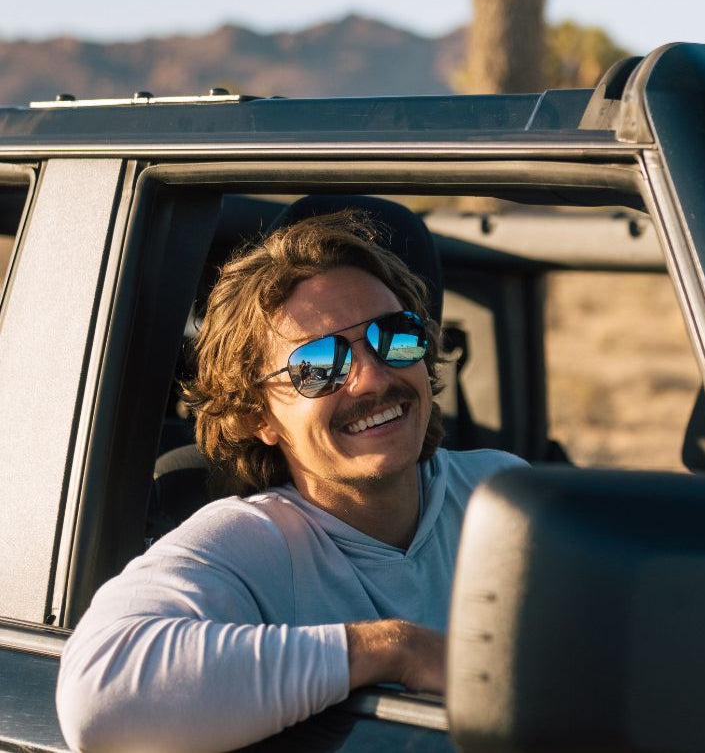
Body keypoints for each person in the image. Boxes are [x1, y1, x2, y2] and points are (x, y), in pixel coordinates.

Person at [56, 210, 526, 753]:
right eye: (319, 365)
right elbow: (99, 695)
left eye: (395, 337)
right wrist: (397, 649)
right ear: (258, 417)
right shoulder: (250, 543)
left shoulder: (503, 494)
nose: (372, 377)